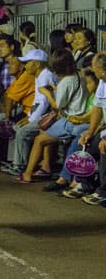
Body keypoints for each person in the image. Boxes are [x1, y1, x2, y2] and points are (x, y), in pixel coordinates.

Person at [17, 48, 88, 183]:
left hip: (71, 121)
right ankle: (45, 167)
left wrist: (46, 92)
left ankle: (28, 173)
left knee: (40, 140)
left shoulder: (65, 81)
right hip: (81, 118)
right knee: (44, 132)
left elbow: (57, 106)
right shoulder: (81, 75)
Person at [1, 49, 57, 175]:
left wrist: (31, 119)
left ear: (36, 64)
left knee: (22, 131)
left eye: (27, 62)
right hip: (41, 114)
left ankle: (20, 165)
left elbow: (44, 103)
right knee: (17, 127)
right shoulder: (38, 75)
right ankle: (20, 161)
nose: (25, 66)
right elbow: (37, 101)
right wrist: (30, 116)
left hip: (49, 116)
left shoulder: (45, 76)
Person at [76, 52, 106, 206]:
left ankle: (103, 192)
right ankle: (85, 184)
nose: (93, 71)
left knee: (103, 148)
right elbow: (98, 108)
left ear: (102, 71)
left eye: (95, 68)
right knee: (87, 142)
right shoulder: (103, 82)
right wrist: (90, 131)